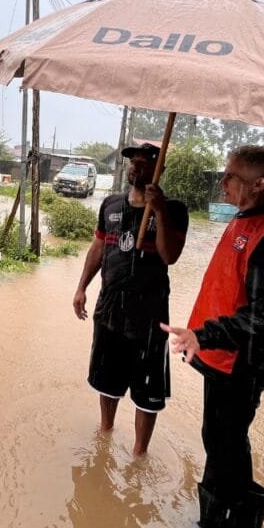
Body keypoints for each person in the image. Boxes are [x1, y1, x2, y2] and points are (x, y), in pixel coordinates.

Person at [162, 145, 264, 528]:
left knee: (227, 443)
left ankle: (231, 522)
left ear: (260, 184)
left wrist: (204, 334)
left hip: (245, 363)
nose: (223, 182)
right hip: (222, 357)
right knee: (219, 439)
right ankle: (217, 516)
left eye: (231, 176)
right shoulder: (247, 218)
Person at [72, 142, 189, 456]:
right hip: (109, 307)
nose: (136, 167)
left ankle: (139, 453)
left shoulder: (175, 210)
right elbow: (98, 248)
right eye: (133, 162)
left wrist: (159, 210)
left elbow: (169, 255)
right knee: (106, 382)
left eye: (144, 163)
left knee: (147, 391)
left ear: (159, 169)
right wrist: (82, 287)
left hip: (149, 314)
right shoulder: (110, 204)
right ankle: (105, 434)